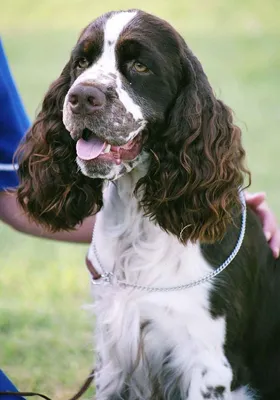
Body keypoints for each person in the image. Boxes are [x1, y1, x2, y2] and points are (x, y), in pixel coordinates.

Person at [0, 37, 279, 396]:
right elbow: (22, 197)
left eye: (139, 66)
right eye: (84, 65)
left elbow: (215, 380)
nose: (87, 89)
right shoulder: (110, 224)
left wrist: (212, 202)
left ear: (180, 98)